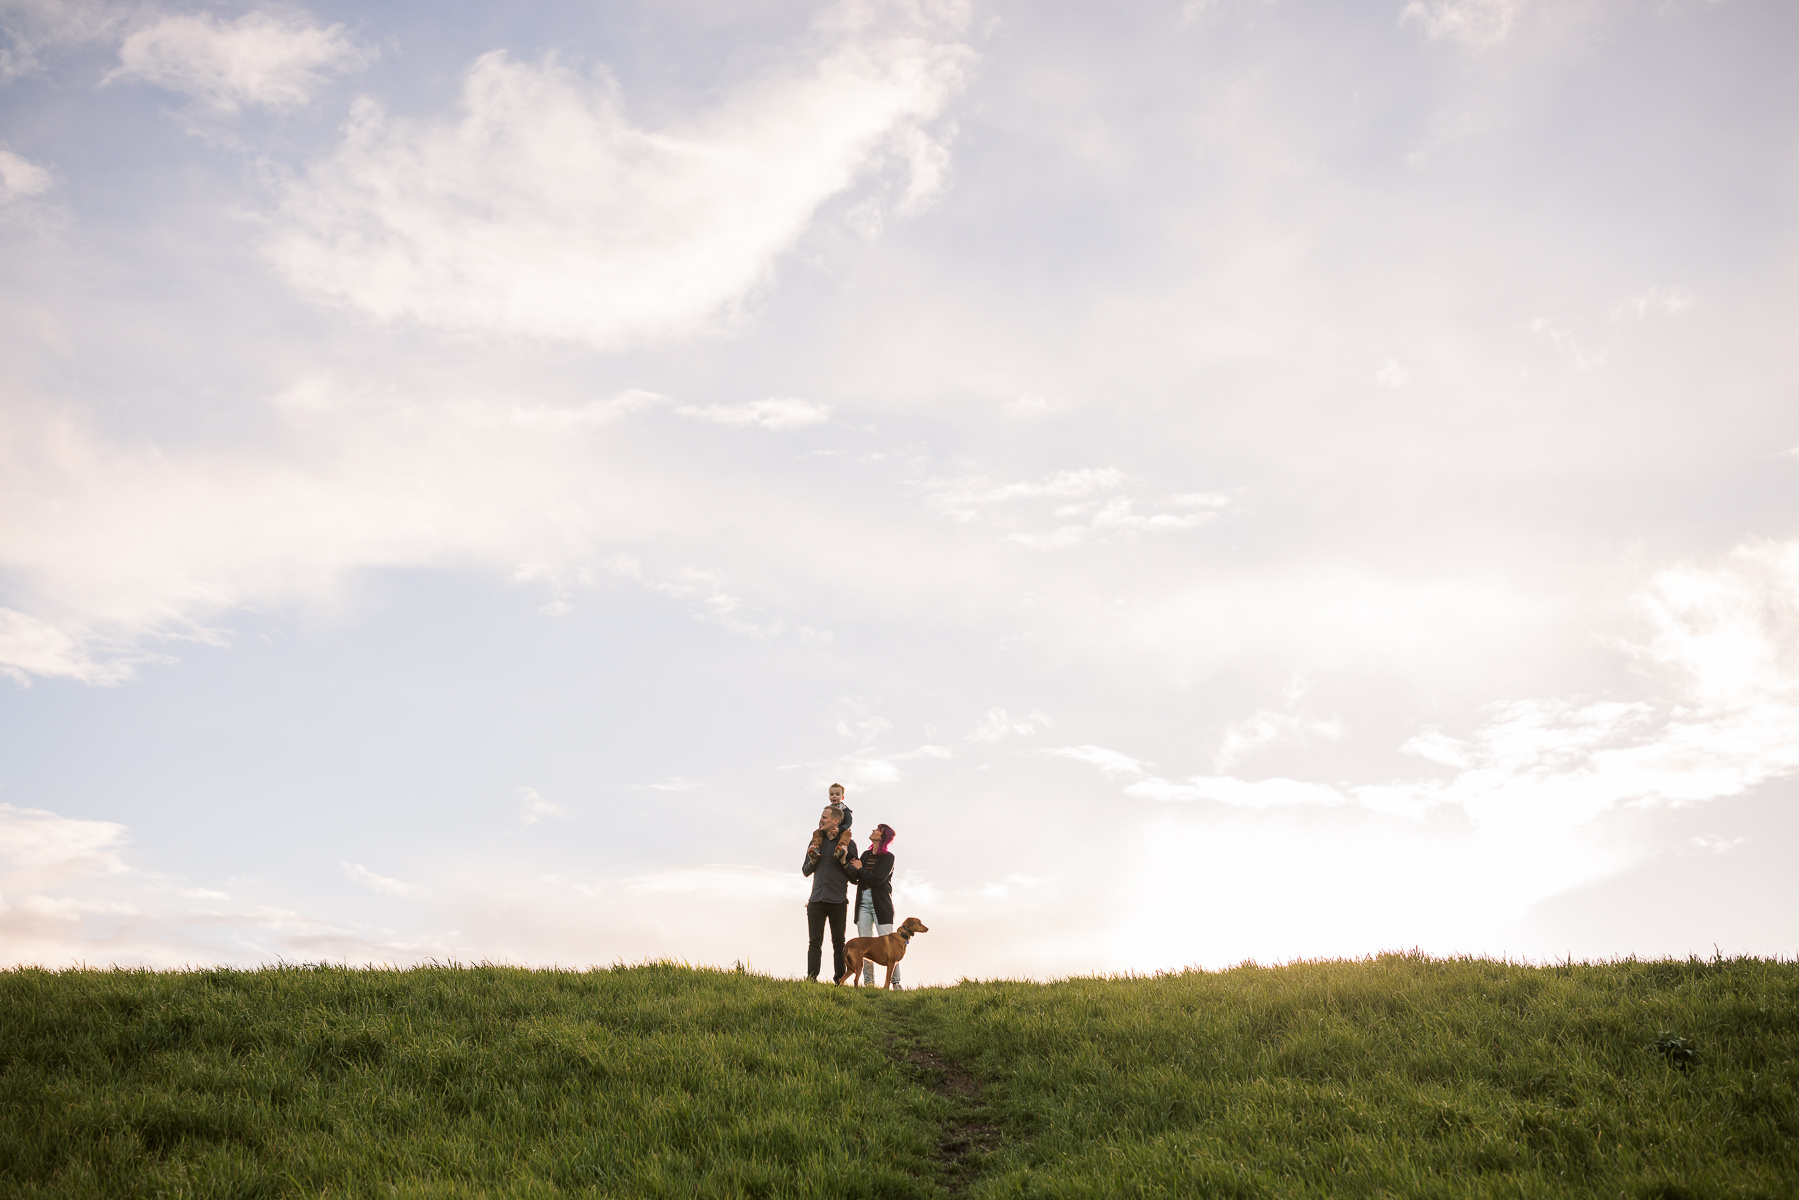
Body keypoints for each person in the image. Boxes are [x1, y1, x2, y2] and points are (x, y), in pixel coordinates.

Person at [801, 785, 861, 982]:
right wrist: (814, 859)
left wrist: (843, 861)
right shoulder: (815, 842)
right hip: (816, 900)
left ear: (836, 820)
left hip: (837, 901)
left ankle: (838, 981)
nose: (821, 820)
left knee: (839, 943)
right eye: (821, 817)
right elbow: (805, 870)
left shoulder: (848, 844)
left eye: (825, 817)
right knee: (814, 943)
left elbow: (855, 878)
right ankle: (811, 979)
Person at [853, 823, 900, 987]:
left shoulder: (889, 858)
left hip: (881, 904)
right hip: (863, 902)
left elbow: (877, 879)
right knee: (864, 945)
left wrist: (861, 869)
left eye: (877, 830)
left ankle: (895, 983)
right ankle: (869, 983)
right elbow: (856, 877)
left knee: (891, 946)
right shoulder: (865, 855)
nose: (873, 830)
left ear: (883, 836)